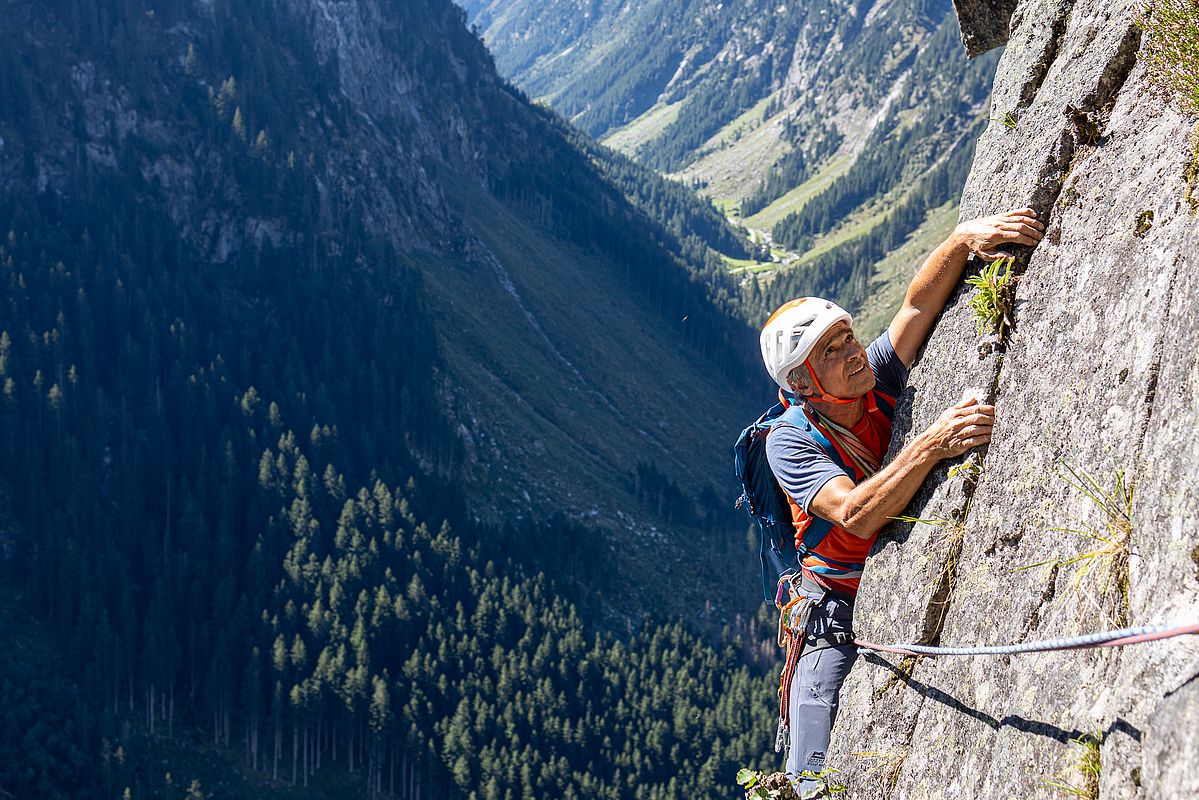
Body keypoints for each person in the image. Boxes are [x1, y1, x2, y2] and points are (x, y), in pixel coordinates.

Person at [758, 208, 1045, 795]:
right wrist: (932, 445)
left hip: (869, 588)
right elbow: (856, 513)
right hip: (831, 611)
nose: (855, 351)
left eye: (847, 336)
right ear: (806, 385)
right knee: (813, 775)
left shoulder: (872, 383)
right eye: (833, 351)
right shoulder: (790, 440)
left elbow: (916, 308)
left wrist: (963, 240)